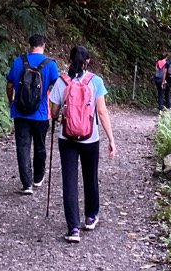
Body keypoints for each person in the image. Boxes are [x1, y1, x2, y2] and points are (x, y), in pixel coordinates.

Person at [49, 45, 117, 243]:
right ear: (87, 61)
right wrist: (111, 139)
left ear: (70, 60)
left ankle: (73, 229)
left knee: (69, 182)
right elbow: (102, 112)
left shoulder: (62, 81)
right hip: (90, 138)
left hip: (67, 139)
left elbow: (53, 113)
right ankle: (90, 217)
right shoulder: (95, 81)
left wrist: (62, 116)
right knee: (90, 176)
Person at [6, 33, 60, 194]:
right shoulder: (50, 64)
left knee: (23, 147)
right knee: (40, 145)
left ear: (29, 45)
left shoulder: (18, 61)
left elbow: (9, 85)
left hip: (20, 112)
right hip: (41, 113)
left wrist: (11, 101)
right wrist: (56, 108)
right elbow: (57, 88)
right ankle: (38, 178)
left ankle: (27, 184)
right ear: (43, 45)